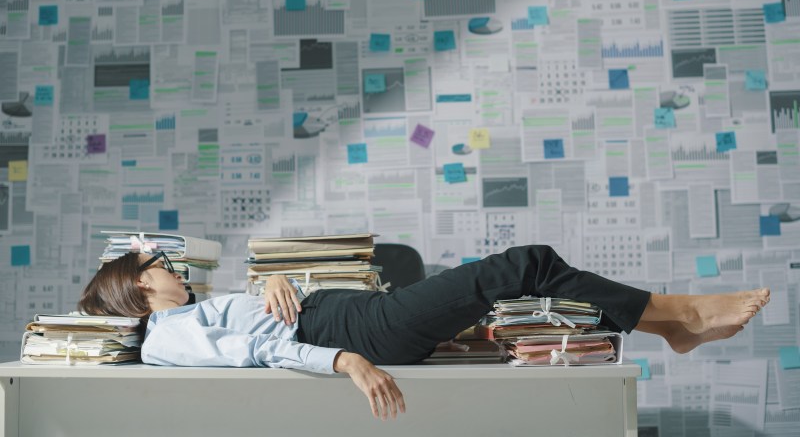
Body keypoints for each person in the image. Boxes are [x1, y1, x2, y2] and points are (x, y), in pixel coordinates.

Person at [78, 245, 770, 421]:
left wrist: (266, 286)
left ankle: (675, 320)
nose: (172, 270)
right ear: (139, 284)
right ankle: (679, 316)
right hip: (356, 329)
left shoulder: (183, 318)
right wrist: (346, 360)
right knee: (523, 265)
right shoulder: (165, 336)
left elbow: (248, 326)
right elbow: (258, 351)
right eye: (160, 265)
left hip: (350, 313)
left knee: (525, 271)